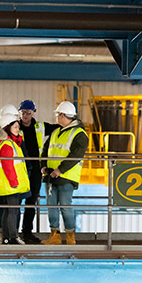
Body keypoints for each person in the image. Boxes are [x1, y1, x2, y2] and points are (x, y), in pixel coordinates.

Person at [41, 101, 89, 246]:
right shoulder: (56, 132)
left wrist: (60, 170)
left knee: (65, 206)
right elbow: (45, 150)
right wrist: (43, 165)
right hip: (51, 176)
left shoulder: (80, 134)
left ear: (63, 115)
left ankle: (70, 236)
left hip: (66, 177)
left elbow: (76, 155)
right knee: (51, 206)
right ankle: (55, 235)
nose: (57, 117)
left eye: (58, 114)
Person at [18, 99, 60, 244]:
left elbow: (59, 128)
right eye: (23, 112)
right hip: (20, 169)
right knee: (15, 202)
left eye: (28, 113)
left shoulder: (40, 127)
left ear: (33, 113)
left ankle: (27, 232)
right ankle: (12, 234)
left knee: (31, 201)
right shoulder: (15, 127)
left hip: (35, 170)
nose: (25, 115)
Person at [0, 107, 30, 245]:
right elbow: (8, 166)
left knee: (8, 211)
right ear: (7, 128)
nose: (17, 129)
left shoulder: (9, 143)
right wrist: (14, 182)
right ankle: (12, 237)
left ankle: (7, 238)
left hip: (8, 185)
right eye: (15, 126)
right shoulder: (8, 144)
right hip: (11, 185)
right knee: (12, 212)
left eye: (18, 126)